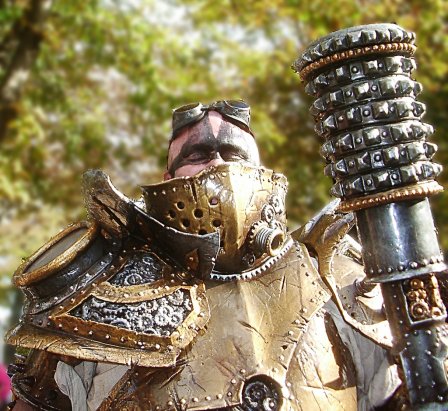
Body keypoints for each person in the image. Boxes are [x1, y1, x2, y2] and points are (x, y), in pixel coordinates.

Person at [6, 100, 401, 411]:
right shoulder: (98, 290)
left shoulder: (338, 275)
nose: (218, 164)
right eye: (197, 155)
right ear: (167, 179)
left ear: (263, 172)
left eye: (234, 154)